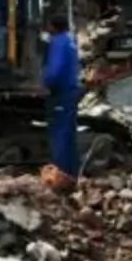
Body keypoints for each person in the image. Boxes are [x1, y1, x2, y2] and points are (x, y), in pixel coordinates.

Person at [40, 13, 82, 176]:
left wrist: (45, 84)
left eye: (48, 25)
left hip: (60, 91)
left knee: (59, 133)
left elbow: (55, 69)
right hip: (70, 90)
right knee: (69, 133)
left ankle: (60, 172)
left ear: (53, 27)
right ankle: (71, 172)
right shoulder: (70, 40)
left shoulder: (57, 42)